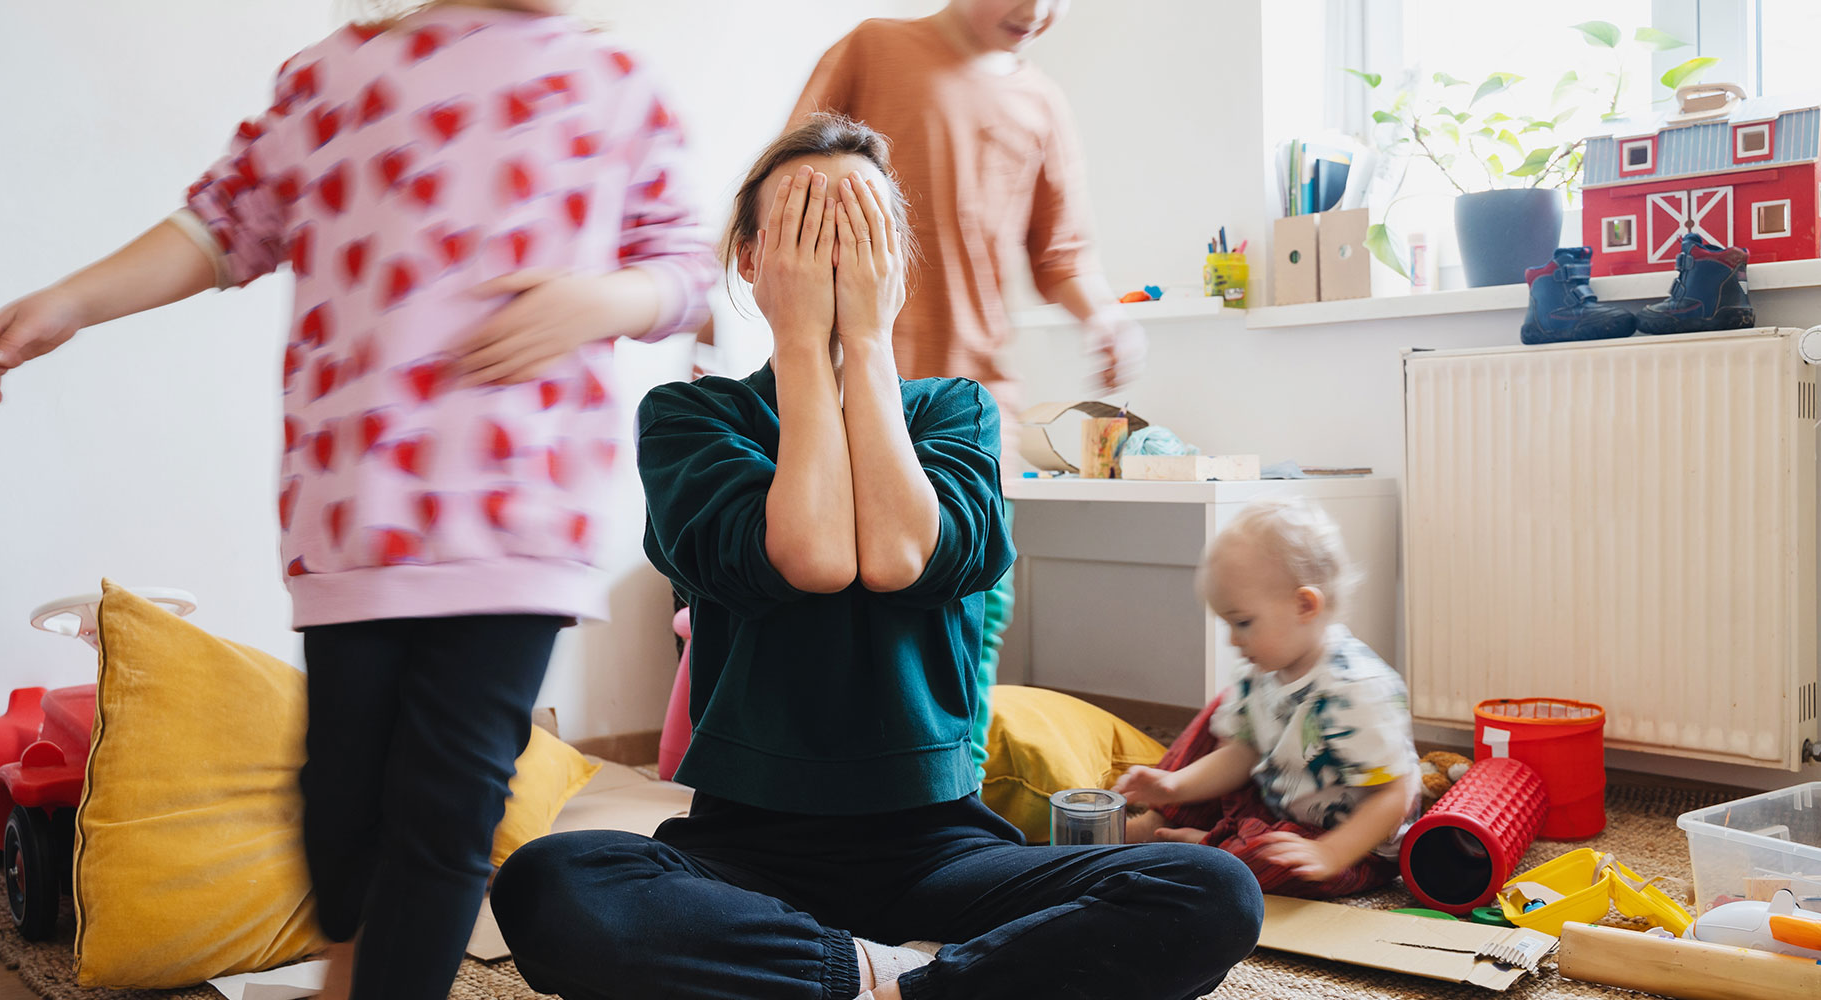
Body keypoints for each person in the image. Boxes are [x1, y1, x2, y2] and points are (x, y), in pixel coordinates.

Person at [0, 3, 716, 996]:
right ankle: (349, 970)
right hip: (355, 524)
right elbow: (221, 224)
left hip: (517, 518)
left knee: (444, 810)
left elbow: (685, 264)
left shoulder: (612, 78)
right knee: (339, 808)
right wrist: (69, 303)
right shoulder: (336, 75)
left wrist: (605, 300)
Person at [488, 114, 1259, 1000]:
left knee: (1213, 891)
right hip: (742, 850)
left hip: (940, 848)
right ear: (749, 260)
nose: (832, 255)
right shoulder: (691, 418)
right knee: (550, 888)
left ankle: (891, 981)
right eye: (804, 232)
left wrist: (863, 341)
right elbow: (813, 555)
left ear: (894, 262)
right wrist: (801, 342)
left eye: (859, 232)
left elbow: (897, 556)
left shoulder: (956, 412)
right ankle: (877, 973)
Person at [787, 0, 1144, 768]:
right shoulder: (875, 50)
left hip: (976, 401)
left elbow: (1064, 255)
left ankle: (957, 788)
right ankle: (838, 790)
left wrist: (1105, 319)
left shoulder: (1040, 103)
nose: (1037, 10)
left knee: (976, 603)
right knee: (849, 604)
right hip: (850, 389)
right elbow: (791, 177)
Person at [1117, 498, 1422, 899]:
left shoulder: (1355, 689)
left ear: (1304, 605)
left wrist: (1329, 853)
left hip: (1349, 840)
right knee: (1220, 716)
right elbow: (1242, 752)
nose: (1232, 639)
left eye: (1242, 622)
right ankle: (1161, 821)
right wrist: (1174, 785)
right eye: (1227, 623)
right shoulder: (1260, 668)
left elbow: (1394, 795)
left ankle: (1208, 848)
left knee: (1271, 863)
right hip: (1276, 799)